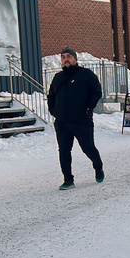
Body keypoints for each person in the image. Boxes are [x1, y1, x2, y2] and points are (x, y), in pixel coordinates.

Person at [47, 47, 104, 190]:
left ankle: (98, 167)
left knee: (87, 148)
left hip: (81, 121)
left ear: (75, 59)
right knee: (64, 151)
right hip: (62, 122)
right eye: (63, 57)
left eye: (69, 56)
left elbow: (96, 92)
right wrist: (53, 110)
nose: (66, 59)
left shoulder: (86, 75)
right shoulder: (58, 77)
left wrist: (88, 108)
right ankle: (68, 180)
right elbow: (51, 95)